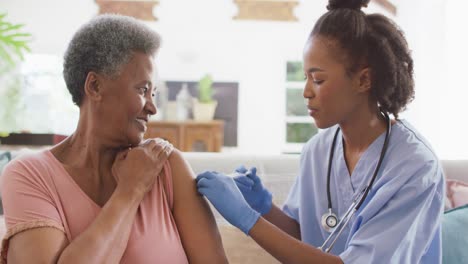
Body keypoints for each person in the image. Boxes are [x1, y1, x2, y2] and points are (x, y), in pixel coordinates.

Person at [196, 0, 445, 263]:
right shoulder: (318, 150)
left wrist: (248, 219)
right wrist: (264, 208)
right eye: (305, 77)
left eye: (318, 80)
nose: (306, 92)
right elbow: (307, 238)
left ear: (363, 80)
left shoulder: (415, 168)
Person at [0, 14, 227, 263]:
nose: (152, 107)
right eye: (142, 90)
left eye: (154, 93)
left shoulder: (167, 166)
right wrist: (130, 191)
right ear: (95, 86)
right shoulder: (29, 175)